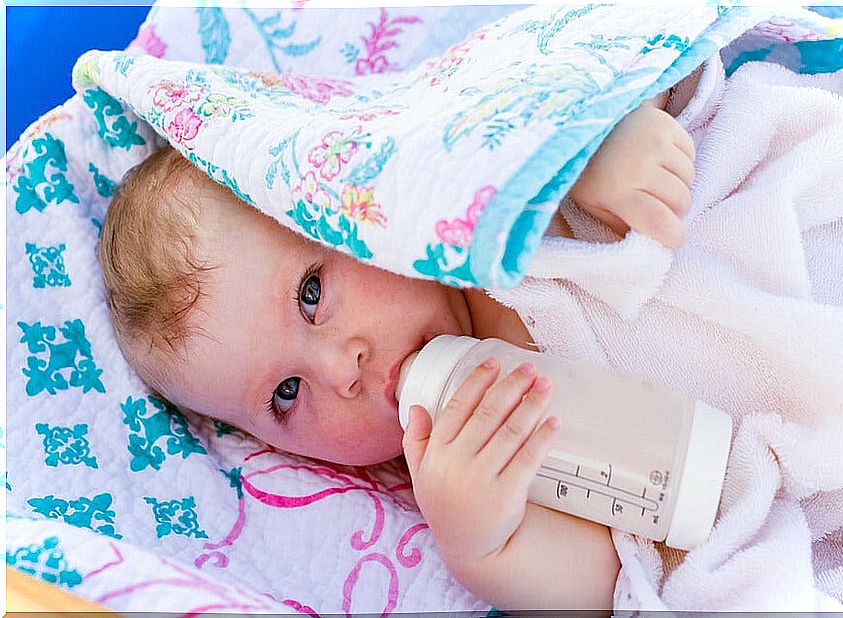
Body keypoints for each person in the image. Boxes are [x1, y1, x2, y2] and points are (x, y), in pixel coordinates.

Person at [98, 86, 695, 610]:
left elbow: (616, 56)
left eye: (311, 292)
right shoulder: (472, 467)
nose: (341, 369)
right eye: (287, 392)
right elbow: (628, 574)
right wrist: (487, 544)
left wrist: (602, 139)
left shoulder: (494, 194)